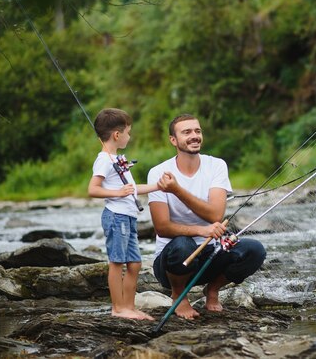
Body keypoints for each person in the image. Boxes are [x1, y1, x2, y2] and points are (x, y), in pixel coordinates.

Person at [147, 114, 266, 319]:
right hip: (172, 264)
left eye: (197, 131)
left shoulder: (216, 165)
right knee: (183, 244)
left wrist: (177, 190)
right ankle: (179, 295)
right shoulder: (159, 172)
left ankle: (212, 290)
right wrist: (200, 230)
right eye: (187, 132)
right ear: (173, 140)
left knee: (254, 250)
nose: (194, 136)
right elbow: (162, 227)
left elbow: (215, 214)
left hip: (210, 254)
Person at [88, 108, 158, 321]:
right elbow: (93, 189)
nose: (130, 136)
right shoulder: (104, 160)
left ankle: (129, 307)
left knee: (135, 263)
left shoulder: (117, 159)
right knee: (117, 263)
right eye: (128, 132)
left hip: (128, 217)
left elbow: (133, 188)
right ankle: (117, 308)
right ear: (117, 135)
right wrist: (117, 192)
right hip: (116, 217)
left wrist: (159, 186)